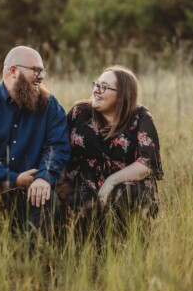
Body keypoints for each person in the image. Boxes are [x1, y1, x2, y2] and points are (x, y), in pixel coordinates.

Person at [0, 46, 70, 237]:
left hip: (33, 189)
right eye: (36, 70)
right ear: (13, 70)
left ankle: (34, 261)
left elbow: (58, 146)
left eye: (43, 70)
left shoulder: (50, 105)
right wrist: (12, 178)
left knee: (45, 195)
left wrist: (44, 177)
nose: (41, 76)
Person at [63, 65, 164, 239]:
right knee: (81, 199)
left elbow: (148, 162)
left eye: (104, 87)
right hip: (84, 183)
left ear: (122, 95)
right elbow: (58, 146)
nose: (96, 90)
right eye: (96, 84)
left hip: (125, 184)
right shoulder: (79, 113)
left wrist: (111, 181)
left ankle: (127, 248)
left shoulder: (140, 117)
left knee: (124, 194)